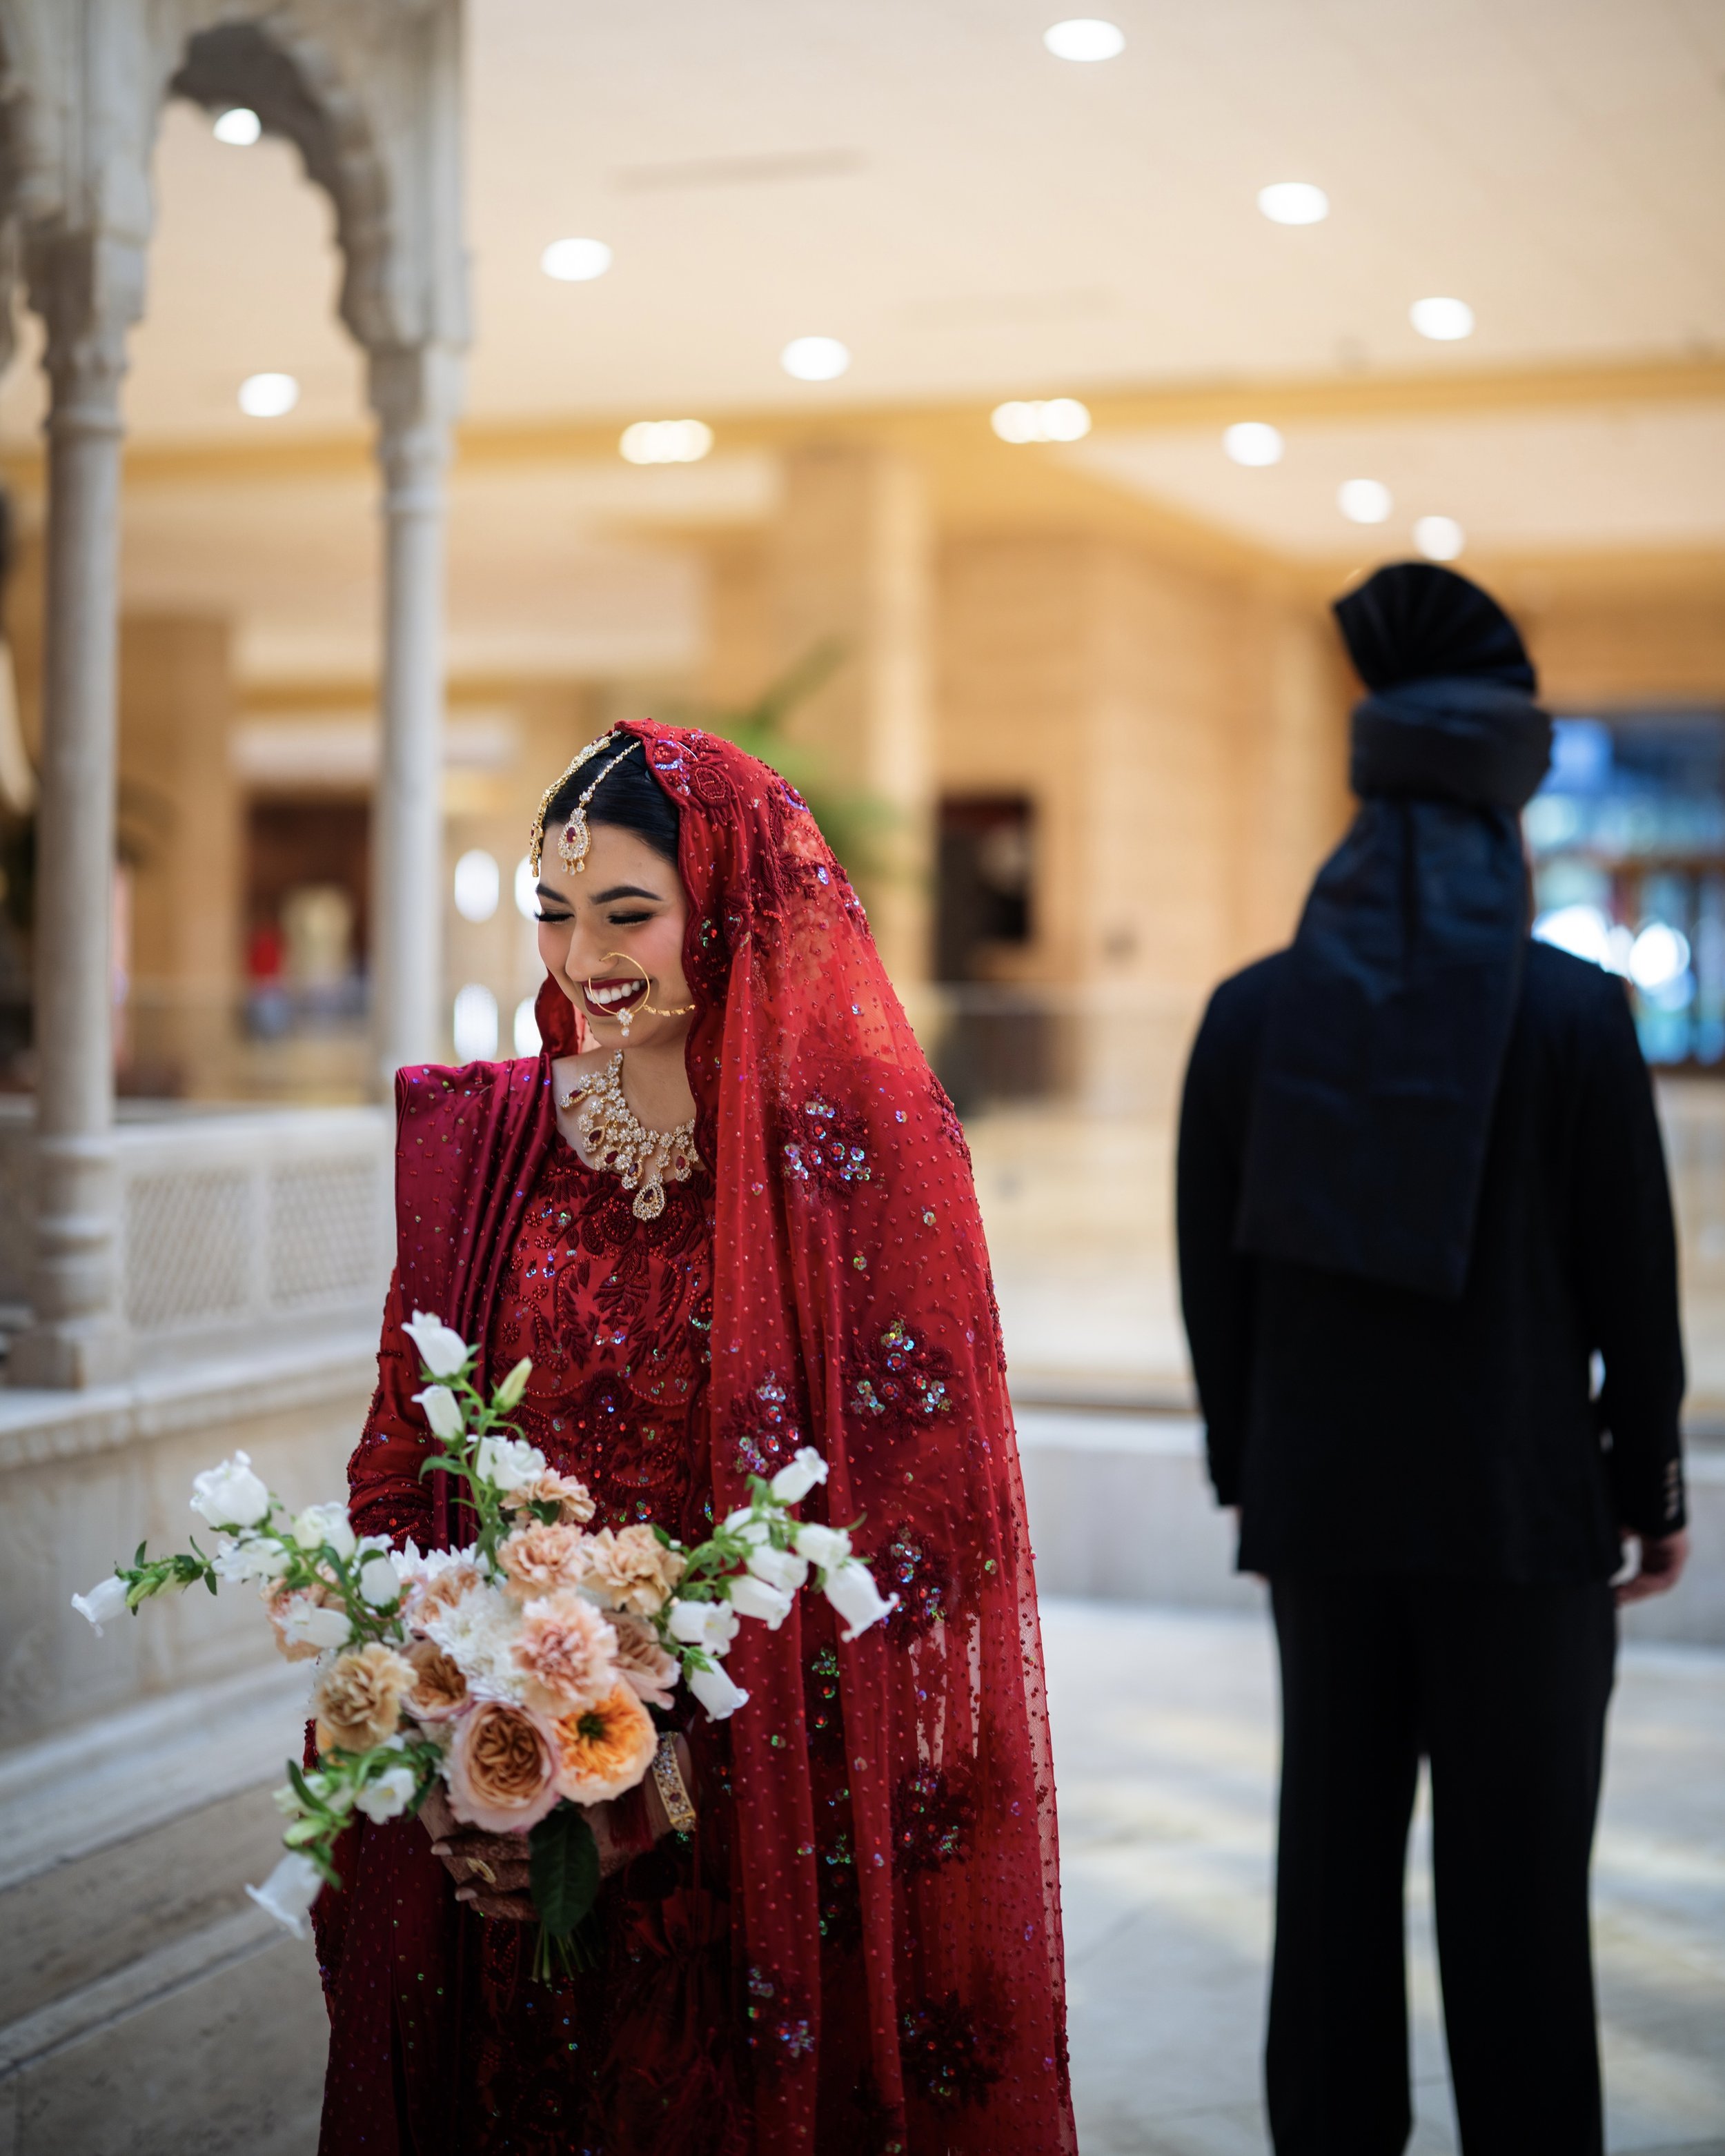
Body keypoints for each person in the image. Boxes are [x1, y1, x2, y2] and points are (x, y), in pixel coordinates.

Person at [313, 720, 1075, 2156]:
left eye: (624, 914)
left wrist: (648, 1774)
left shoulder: (848, 1164)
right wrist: (461, 1722)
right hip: (501, 1774)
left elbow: (919, 1534)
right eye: (552, 913)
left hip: (757, 1808)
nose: (581, 955)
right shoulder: (489, 1145)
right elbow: (397, 1461)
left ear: (722, 910)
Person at [1176, 563, 1688, 2156]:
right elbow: (1631, 1285)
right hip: (1521, 1522)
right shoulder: (1574, 1018)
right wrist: (1644, 1478)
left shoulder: (1248, 1017)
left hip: (1324, 1521)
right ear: (1500, 797)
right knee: (1518, 1889)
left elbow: (1212, 1281)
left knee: (1325, 1874)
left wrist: (1252, 1469)